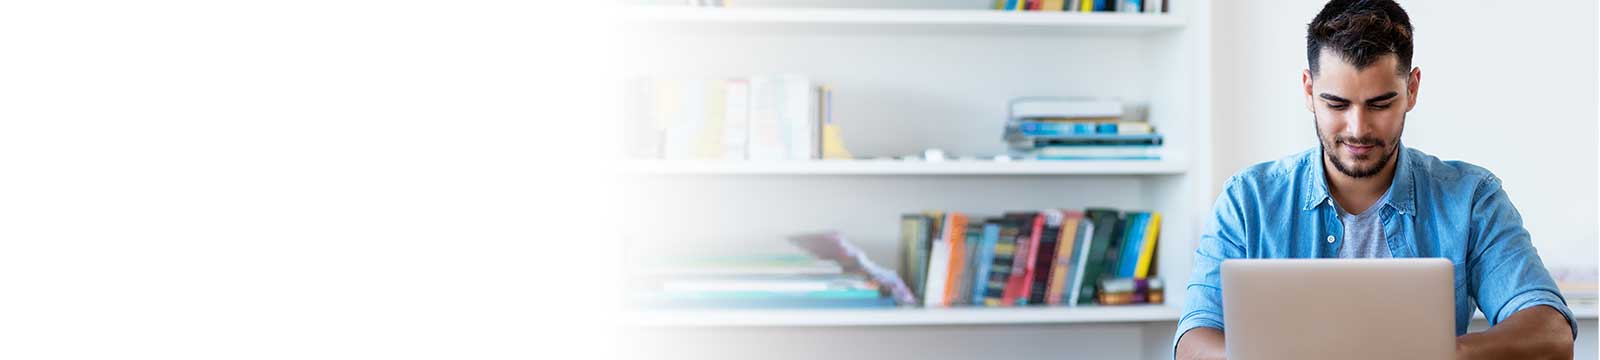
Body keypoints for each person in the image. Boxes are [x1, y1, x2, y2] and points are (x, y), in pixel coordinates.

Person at [1173, 1, 1577, 359]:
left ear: (1412, 89)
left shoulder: (1471, 197)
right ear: (1308, 90)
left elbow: (1552, 334)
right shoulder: (1249, 200)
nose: (1358, 128)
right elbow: (1192, 339)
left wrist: (1437, 353)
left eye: (1380, 104)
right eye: (1336, 103)